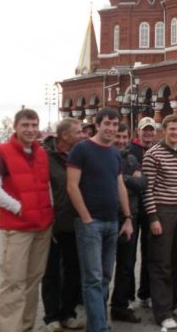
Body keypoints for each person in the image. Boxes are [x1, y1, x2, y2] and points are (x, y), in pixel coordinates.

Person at [66, 108, 133, 332]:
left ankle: (99, 322)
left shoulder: (114, 153)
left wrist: (127, 218)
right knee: (93, 279)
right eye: (107, 124)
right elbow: (72, 186)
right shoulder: (81, 149)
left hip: (112, 223)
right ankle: (99, 328)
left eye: (115, 125)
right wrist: (85, 217)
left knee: (105, 277)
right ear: (97, 125)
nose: (112, 129)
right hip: (90, 224)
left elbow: (120, 185)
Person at [0, 109, 54, 331]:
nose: (31, 130)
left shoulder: (41, 153)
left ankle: (26, 326)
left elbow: (46, 186)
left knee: (32, 281)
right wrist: (19, 208)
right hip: (16, 228)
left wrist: (50, 211)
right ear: (16, 127)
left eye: (34, 125)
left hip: (42, 226)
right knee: (13, 283)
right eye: (25, 125)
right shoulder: (2, 152)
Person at [142, 115, 177, 329]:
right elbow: (147, 190)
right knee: (161, 264)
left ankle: (171, 303)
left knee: (176, 262)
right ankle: (162, 313)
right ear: (164, 130)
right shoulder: (153, 155)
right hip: (161, 212)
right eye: (173, 129)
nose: (176, 133)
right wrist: (153, 218)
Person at [41, 118, 84, 331]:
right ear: (64, 135)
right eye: (78, 131)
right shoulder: (45, 156)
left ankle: (68, 312)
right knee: (51, 272)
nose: (83, 134)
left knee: (73, 270)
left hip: (74, 223)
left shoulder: (80, 154)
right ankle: (51, 316)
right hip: (51, 224)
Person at [110, 123, 148, 323]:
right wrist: (127, 178)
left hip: (128, 218)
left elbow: (143, 183)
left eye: (125, 137)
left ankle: (120, 306)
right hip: (107, 218)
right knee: (104, 268)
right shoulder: (104, 156)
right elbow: (105, 181)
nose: (121, 141)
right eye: (118, 136)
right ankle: (99, 309)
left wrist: (119, 179)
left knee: (127, 264)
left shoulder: (131, 158)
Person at [128, 116, 158, 308]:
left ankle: (145, 293)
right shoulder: (129, 149)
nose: (147, 133)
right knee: (128, 256)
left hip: (150, 208)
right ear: (138, 131)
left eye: (151, 130)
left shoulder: (158, 150)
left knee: (150, 254)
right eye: (144, 129)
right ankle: (127, 297)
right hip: (130, 208)